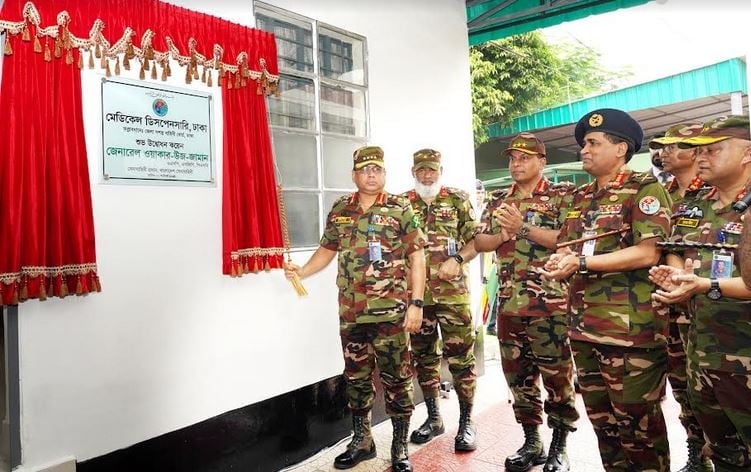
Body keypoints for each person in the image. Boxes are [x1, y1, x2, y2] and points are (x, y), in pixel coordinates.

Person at [542, 108, 672, 471]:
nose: (584, 149)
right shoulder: (579, 197)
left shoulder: (644, 189)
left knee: (638, 429)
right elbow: (567, 248)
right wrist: (559, 264)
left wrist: (582, 263)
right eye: (584, 143)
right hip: (583, 331)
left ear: (620, 149)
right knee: (604, 427)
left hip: (630, 333)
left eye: (593, 143)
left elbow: (648, 251)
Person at [284, 145, 427, 472]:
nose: (371, 174)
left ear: (384, 174)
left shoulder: (399, 208)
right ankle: (362, 441)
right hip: (352, 314)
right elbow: (326, 250)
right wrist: (302, 271)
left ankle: (400, 444)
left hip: (391, 314)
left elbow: (417, 258)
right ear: (354, 174)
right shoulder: (340, 209)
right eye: (365, 169)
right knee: (357, 378)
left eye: (377, 169)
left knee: (397, 380)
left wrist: (416, 304)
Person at [650, 115, 751, 471]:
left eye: (714, 149)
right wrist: (678, 275)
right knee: (722, 450)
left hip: (745, 352)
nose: (702, 158)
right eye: (700, 151)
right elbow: (675, 244)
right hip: (703, 348)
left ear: (746, 154)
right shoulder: (694, 199)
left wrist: (705, 286)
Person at [475, 132, 578, 472]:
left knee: (557, 378)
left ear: (541, 161)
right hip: (509, 305)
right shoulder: (498, 199)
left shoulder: (563, 196)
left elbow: (570, 240)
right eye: (512, 158)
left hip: (549, 305)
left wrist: (522, 229)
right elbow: (481, 241)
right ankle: (532, 441)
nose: (516, 164)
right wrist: (501, 235)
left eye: (524, 158)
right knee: (518, 379)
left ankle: (560, 445)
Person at [400, 148, 480, 452]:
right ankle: (434, 418)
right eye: (421, 170)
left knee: (461, 359)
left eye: (431, 169)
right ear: (413, 173)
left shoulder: (457, 199)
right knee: (424, 357)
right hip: (418, 297)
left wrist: (458, 259)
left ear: (440, 170)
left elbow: (476, 241)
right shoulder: (402, 204)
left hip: (453, 295)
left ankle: (467, 423)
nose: (426, 175)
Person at [648, 122, 712, 472]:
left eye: (675, 146)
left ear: (696, 151)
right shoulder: (662, 191)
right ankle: (695, 447)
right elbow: (667, 245)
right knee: (682, 382)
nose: (666, 152)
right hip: (671, 306)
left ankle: (717, 449)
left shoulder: (714, 191)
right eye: (664, 147)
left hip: (713, 304)